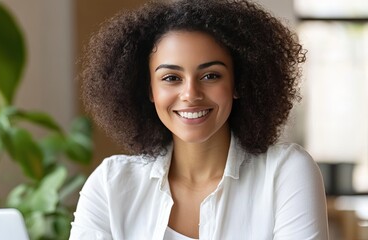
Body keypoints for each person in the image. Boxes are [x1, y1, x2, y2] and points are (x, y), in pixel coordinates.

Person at [70, 0, 329, 239]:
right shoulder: (110, 184)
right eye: (171, 78)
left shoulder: (285, 173)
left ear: (238, 84)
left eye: (211, 76)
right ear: (149, 90)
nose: (190, 94)